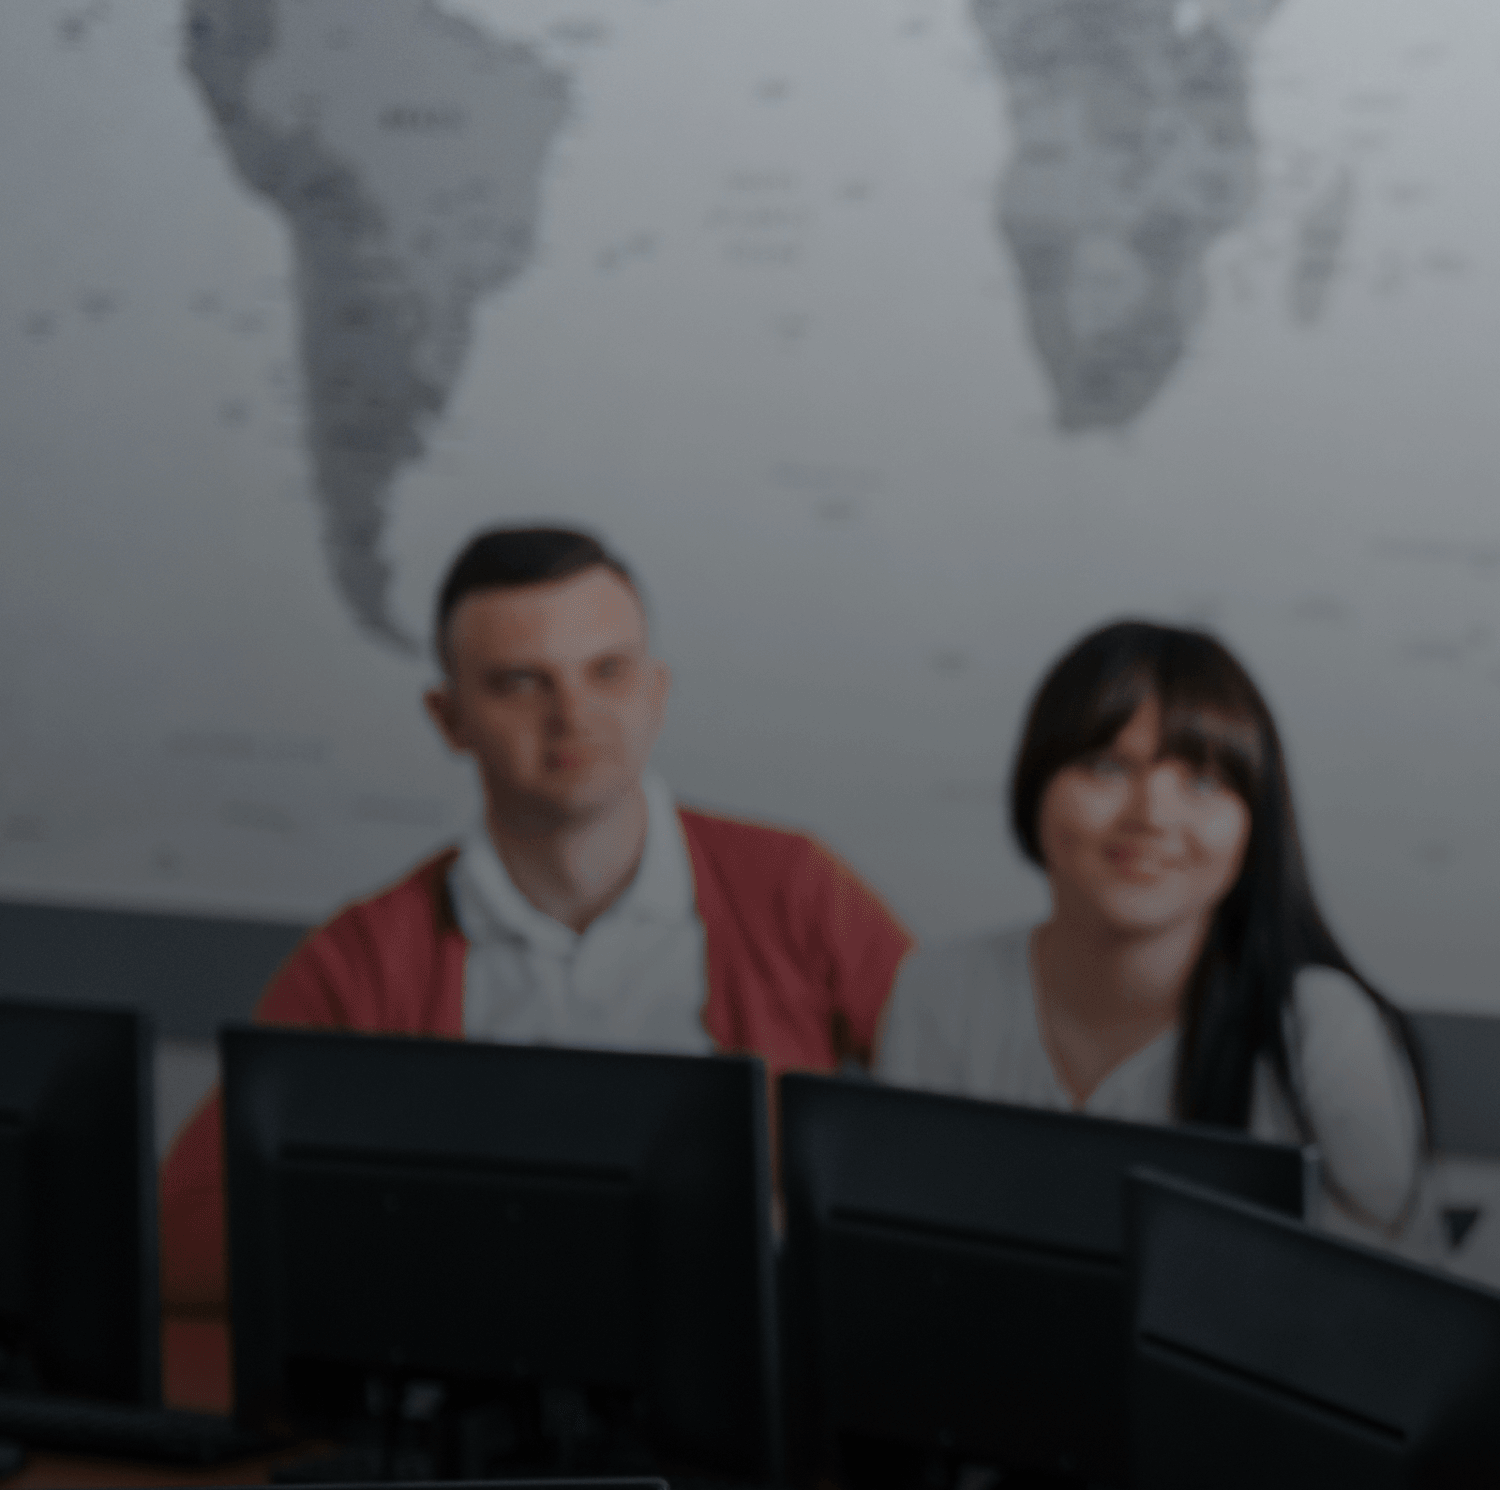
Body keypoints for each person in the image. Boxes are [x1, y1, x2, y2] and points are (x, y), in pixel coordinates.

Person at [156, 525, 914, 1309]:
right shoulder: (365, 957)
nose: (573, 715)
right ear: (449, 719)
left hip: (750, 1392)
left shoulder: (795, 888)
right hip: (477, 1394)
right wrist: (455, 1242)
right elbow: (184, 1231)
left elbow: (964, 1152)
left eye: (609, 672)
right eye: (521, 682)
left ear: (657, 693)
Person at [874, 621, 1432, 1249]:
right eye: (1106, 766)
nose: (1151, 816)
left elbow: (1393, 1320)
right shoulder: (938, 992)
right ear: (1036, 787)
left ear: (1256, 824)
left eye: (1202, 781)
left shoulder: (1322, 1031)